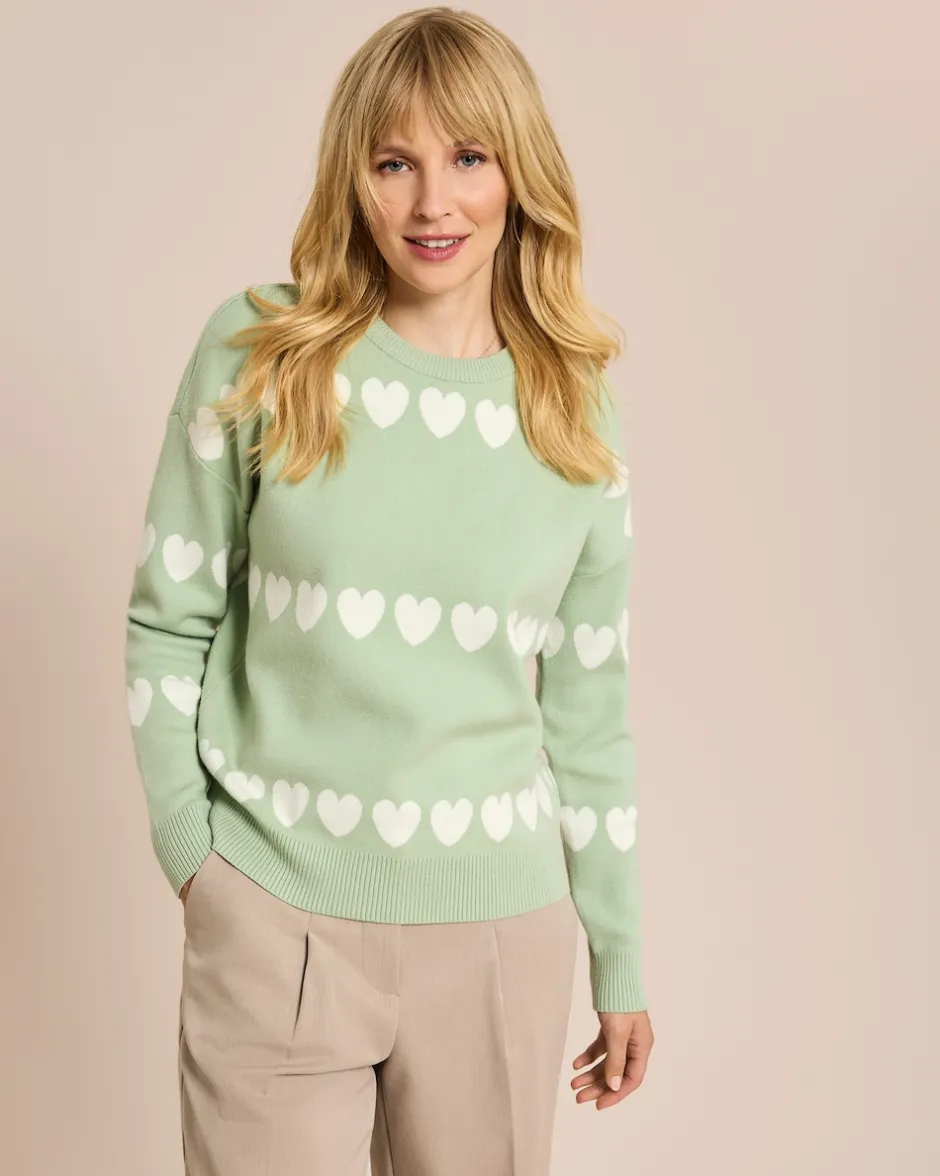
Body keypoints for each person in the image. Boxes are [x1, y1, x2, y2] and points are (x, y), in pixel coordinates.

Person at [124, 6, 654, 1173]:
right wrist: (197, 862)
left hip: (499, 935)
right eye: (394, 162)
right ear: (351, 177)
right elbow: (168, 621)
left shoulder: (574, 410)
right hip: (273, 912)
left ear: (518, 174)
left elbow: (588, 707)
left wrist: (619, 955)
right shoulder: (259, 353)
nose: (432, 203)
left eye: (468, 157)